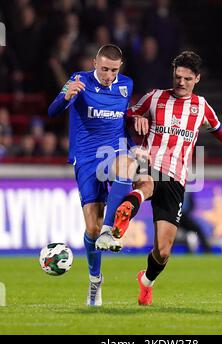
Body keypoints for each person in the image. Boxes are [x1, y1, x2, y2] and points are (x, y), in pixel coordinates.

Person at [110, 51, 222, 306]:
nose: (180, 82)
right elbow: (127, 114)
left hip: (177, 179)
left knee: (163, 251)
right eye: (177, 76)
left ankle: (146, 281)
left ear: (197, 79)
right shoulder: (155, 97)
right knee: (146, 184)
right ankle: (125, 213)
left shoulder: (202, 107)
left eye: (187, 78)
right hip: (149, 163)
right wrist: (136, 118)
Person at [48, 44, 138, 307]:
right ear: (93, 64)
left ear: (120, 67)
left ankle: (110, 232)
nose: (109, 75)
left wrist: (134, 146)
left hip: (113, 153)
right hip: (86, 159)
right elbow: (52, 112)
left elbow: (122, 121)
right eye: (104, 69)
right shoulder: (78, 81)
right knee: (91, 228)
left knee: (128, 167)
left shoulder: (126, 85)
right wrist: (66, 97)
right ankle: (95, 281)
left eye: (113, 70)